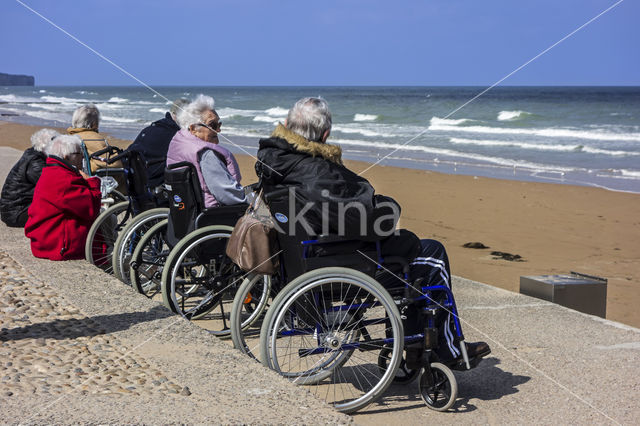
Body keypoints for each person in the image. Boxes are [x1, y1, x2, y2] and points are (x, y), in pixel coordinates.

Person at [256, 97, 490, 365]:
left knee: (411, 253)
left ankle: (414, 343)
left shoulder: (276, 162)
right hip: (339, 266)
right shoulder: (317, 171)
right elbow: (363, 222)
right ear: (325, 134)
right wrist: (389, 207)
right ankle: (447, 351)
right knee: (430, 254)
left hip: (305, 260)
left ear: (286, 124)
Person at [25, 135, 102, 261]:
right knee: (105, 225)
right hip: (57, 245)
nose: (83, 157)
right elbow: (91, 209)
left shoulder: (52, 171)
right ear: (67, 157)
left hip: (45, 239)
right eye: (79, 153)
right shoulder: (64, 179)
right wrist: (92, 182)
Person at [166, 95, 246, 207]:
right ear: (193, 129)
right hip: (214, 214)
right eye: (213, 125)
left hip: (185, 212)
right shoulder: (206, 155)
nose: (218, 130)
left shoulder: (178, 143)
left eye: (219, 124)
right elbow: (228, 196)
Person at [0, 128, 59, 227]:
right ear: (47, 146)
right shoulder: (36, 162)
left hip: (15, 208)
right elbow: (50, 184)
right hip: (17, 212)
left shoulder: (33, 155)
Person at [127, 98, 189, 188]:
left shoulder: (152, 128)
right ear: (174, 115)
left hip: (134, 180)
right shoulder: (176, 136)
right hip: (153, 184)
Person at [67, 103, 124, 176]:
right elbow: (115, 163)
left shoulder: (68, 137)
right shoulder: (94, 139)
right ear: (93, 123)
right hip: (94, 180)